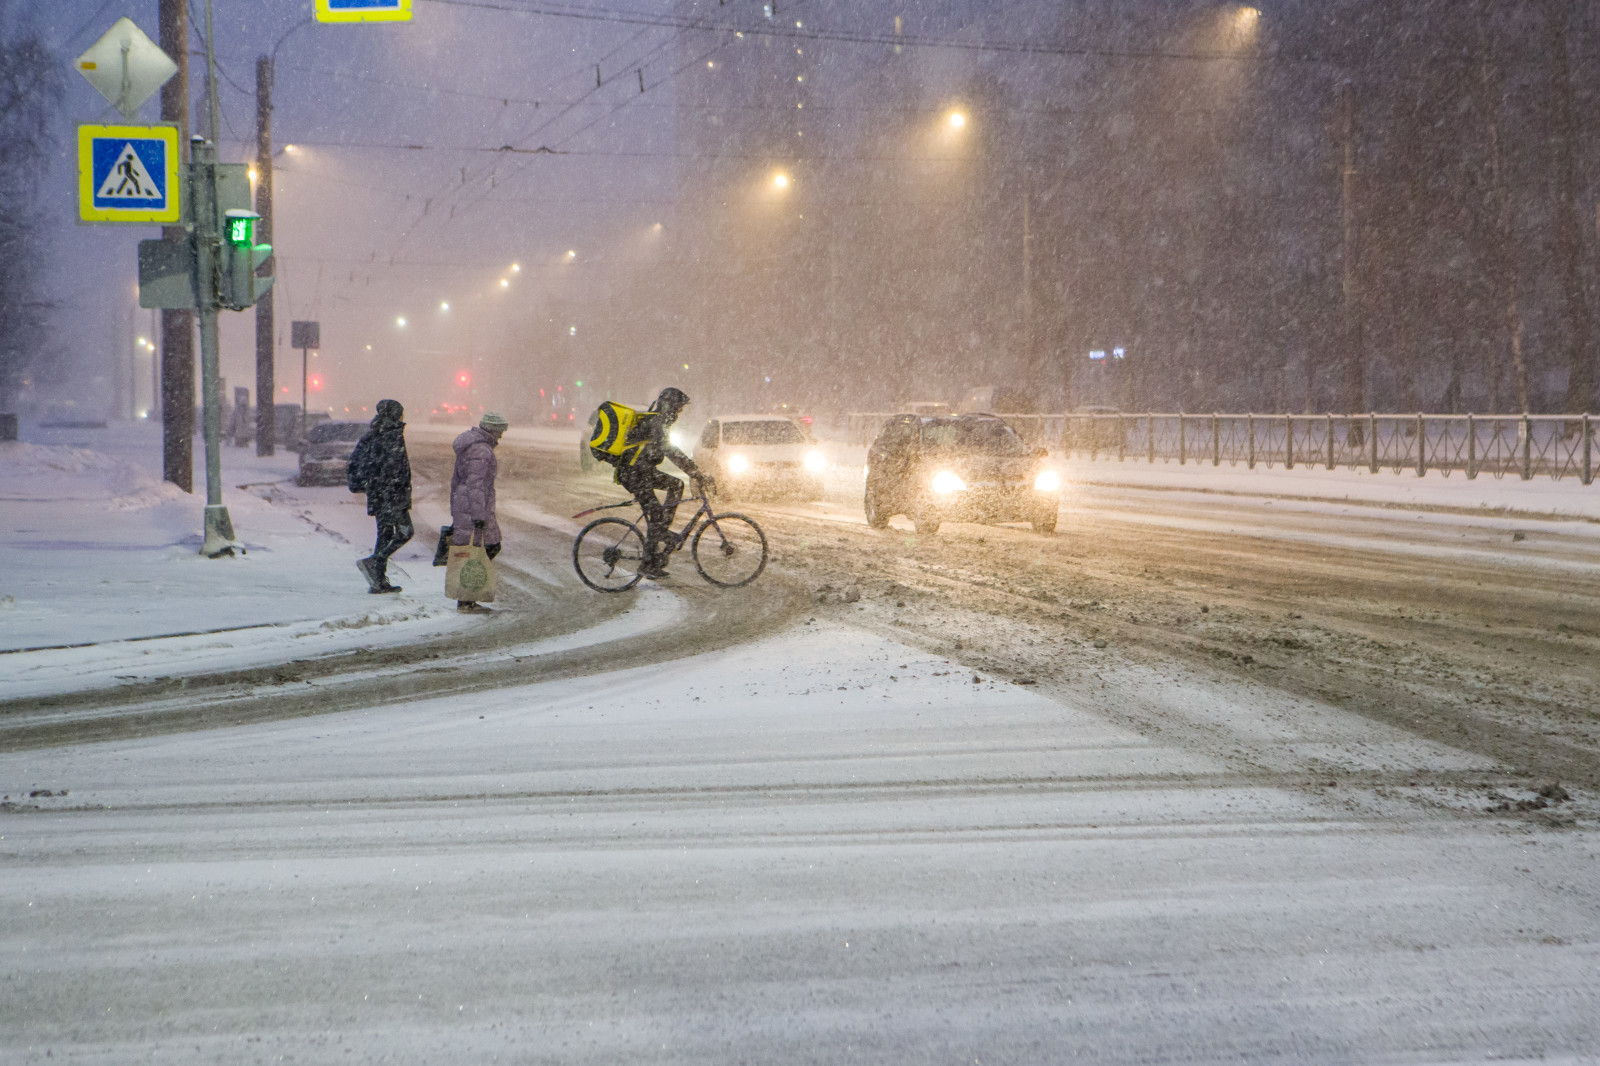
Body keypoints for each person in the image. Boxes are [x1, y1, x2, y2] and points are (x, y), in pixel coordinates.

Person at [614, 387, 715, 579]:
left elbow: (667, 450)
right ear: (669, 406)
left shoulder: (657, 420)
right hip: (635, 474)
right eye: (678, 408)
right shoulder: (656, 422)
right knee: (657, 514)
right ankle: (648, 562)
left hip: (641, 472)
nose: (679, 413)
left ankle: (661, 531)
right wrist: (694, 471)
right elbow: (670, 451)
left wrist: (693, 471)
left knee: (676, 485)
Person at [348, 399, 412, 594]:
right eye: (400, 413)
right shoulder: (391, 434)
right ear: (394, 415)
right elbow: (392, 467)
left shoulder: (374, 433)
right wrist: (396, 487)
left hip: (378, 494)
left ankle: (378, 580)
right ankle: (376, 563)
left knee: (384, 534)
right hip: (392, 495)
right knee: (405, 531)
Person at [449, 411, 507, 613]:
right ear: (492, 429)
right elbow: (476, 485)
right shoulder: (481, 450)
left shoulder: (473, 446)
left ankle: (468, 598)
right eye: (500, 431)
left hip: (466, 504)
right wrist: (478, 516)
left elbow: (459, 481)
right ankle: (466, 599)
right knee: (486, 548)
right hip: (474, 506)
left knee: (477, 550)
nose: (501, 436)